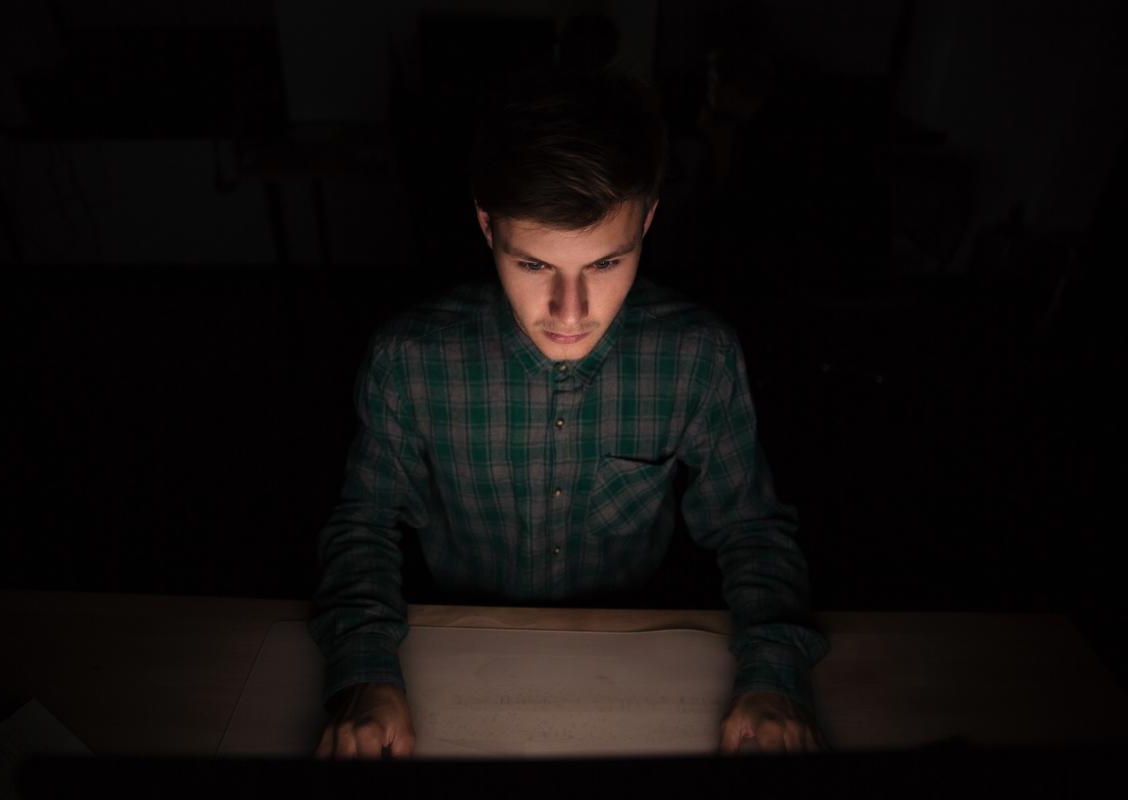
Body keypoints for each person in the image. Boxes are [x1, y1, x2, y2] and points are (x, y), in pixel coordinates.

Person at [309, 68, 829, 759]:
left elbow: (751, 530)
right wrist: (364, 674)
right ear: (486, 224)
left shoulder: (699, 358)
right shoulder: (409, 361)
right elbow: (364, 523)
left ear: (647, 221)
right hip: (452, 667)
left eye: (607, 263)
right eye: (534, 267)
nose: (571, 314)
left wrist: (774, 680)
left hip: (634, 674)